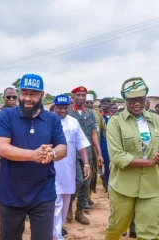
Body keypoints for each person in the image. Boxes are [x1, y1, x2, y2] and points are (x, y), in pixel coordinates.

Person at [0, 73, 67, 240]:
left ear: (42, 95)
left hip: (43, 192)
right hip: (11, 192)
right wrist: (34, 155)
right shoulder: (7, 116)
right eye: (24, 93)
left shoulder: (52, 119)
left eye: (33, 94)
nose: (27, 98)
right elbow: (0, 148)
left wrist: (52, 153)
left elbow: (63, 148)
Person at [105, 77, 159, 239]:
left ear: (146, 98)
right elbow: (117, 156)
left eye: (140, 98)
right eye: (131, 99)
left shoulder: (156, 120)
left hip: (152, 186)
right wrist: (149, 162)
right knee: (117, 227)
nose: (136, 103)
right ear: (124, 99)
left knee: (149, 232)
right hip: (123, 186)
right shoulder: (115, 122)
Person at [52, 94, 91, 240]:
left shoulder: (74, 122)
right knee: (56, 203)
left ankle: (58, 229)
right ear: (54, 107)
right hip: (52, 170)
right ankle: (55, 235)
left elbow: (81, 144)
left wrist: (86, 163)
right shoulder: (48, 121)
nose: (62, 111)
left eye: (64, 108)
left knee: (66, 200)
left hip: (68, 170)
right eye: (59, 108)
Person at [67, 86, 104, 225]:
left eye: (84, 95)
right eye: (79, 95)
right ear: (73, 96)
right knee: (78, 180)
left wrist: (99, 153)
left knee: (86, 183)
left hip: (87, 153)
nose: (82, 98)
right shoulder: (68, 111)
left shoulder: (90, 113)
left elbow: (94, 134)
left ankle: (79, 211)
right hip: (72, 153)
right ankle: (68, 205)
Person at [85, 94, 106, 195]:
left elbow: (104, 130)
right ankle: (85, 199)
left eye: (90, 103)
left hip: (95, 148)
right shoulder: (77, 114)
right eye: (87, 102)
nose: (89, 104)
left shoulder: (98, 115)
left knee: (93, 171)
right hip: (83, 149)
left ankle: (88, 197)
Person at [98, 97, 113, 191]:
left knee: (112, 164)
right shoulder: (99, 117)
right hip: (103, 144)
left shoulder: (114, 117)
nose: (104, 105)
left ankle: (106, 178)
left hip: (113, 143)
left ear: (110, 105)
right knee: (107, 164)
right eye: (103, 103)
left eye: (106, 103)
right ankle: (107, 183)